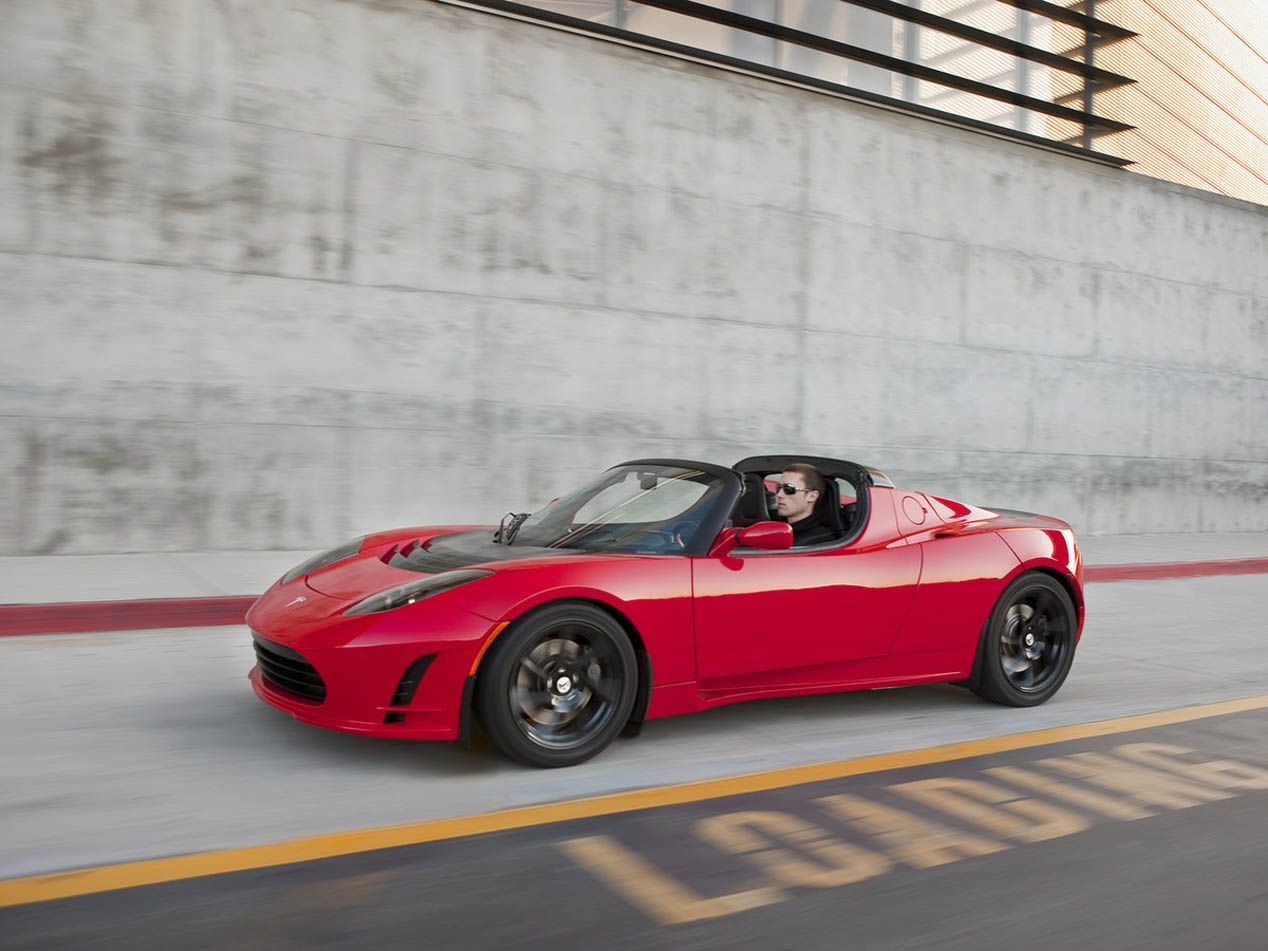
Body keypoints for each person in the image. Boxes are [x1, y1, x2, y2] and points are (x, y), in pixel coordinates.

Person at [770, 463, 838, 546]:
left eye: (789, 489)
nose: (779, 495)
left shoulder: (820, 541)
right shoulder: (774, 526)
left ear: (812, 496)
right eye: (778, 487)